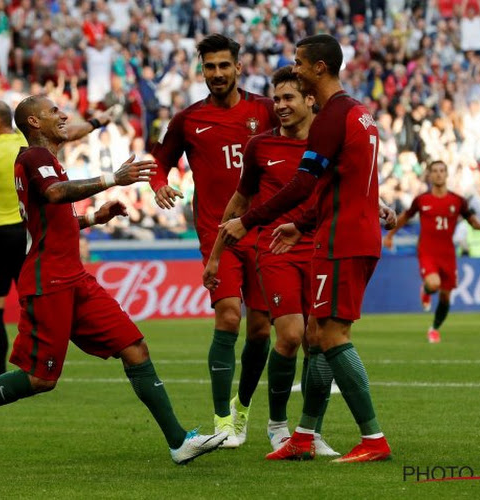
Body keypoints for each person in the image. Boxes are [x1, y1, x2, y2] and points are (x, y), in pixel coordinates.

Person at [0, 95, 227, 465]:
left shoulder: (47, 161)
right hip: (48, 280)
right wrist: (112, 179)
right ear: (35, 123)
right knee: (40, 379)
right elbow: (54, 194)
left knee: (134, 347)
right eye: (54, 111)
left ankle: (179, 441)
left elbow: (51, 218)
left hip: (74, 277)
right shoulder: (33, 157)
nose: (63, 115)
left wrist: (93, 219)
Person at [217, 34, 393, 462]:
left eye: (298, 63)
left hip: (341, 239)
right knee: (315, 334)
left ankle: (373, 439)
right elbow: (343, 186)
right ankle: (303, 436)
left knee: (331, 337)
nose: (293, 68)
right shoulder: (360, 114)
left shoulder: (332, 117)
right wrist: (301, 224)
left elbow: (303, 183)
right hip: (348, 230)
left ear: (319, 68)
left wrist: (249, 219)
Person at [0, 101, 118, 379]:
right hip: (32, 234)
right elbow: (73, 132)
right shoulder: (27, 144)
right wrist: (98, 122)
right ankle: (39, 363)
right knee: (34, 299)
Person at [202, 66, 339, 456]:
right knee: (292, 336)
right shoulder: (260, 146)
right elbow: (240, 203)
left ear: (310, 99)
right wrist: (215, 256)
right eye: (276, 98)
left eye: (288, 98)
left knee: (320, 342)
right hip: (275, 249)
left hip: (320, 248)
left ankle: (309, 432)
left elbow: (344, 183)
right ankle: (277, 424)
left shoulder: (327, 142)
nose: (278, 106)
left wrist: (378, 203)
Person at [150, 33, 278, 447]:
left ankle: (242, 407)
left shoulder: (267, 110)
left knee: (261, 330)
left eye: (225, 65)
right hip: (216, 232)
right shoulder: (188, 119)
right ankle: (223, 420)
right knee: (227, 316)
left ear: (239, 67)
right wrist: (158, 184)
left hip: (263, 229)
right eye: (210, 66)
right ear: (201, 69)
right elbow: (160, 160)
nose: (218, 73)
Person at [384, 160, 480, 343]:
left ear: (447, 174)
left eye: (442, 170)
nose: (438, 174)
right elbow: (404, 217)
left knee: (446, 296)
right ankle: (426, 290)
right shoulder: (422, 200)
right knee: (434, 284)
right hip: (427, 250)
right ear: (429, 175)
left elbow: (472, 220)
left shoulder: (458, 201)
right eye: (434, 171)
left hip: (448, 253)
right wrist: (390, 235)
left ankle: (434, 328)